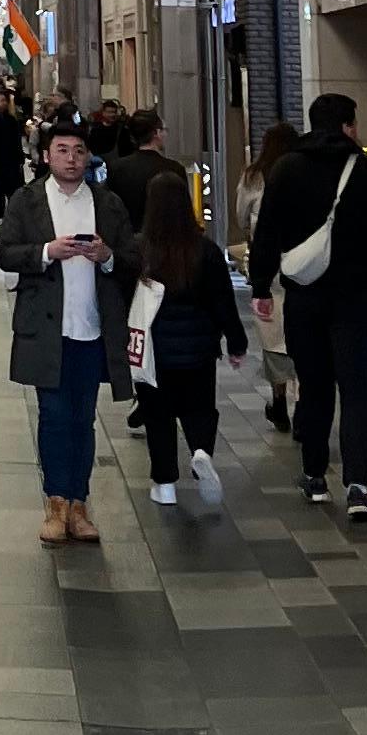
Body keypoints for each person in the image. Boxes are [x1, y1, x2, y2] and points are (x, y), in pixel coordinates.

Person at [248, 93, 367, 520]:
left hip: (305, 299)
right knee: (360, 394)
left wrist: (261, 288)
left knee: (315, 385)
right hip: (360, 301)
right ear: (348, 126)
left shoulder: (286, 169)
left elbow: (266, 231)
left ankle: (314, 476)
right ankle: (358, 487)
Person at [0, 110, 139, 544]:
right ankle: (56, 502)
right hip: (46, 328)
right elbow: (6, 252)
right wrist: (46, 252)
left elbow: (132, 258)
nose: (71, 159)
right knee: (54, 416)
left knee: (83, 419)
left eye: (79, 151)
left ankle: (80, 503)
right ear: (46, 156)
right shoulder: (27, 200)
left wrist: (107, 256)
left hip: (93, 328)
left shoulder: (106, 202)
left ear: (88, 157)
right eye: (62, 151)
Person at [126, 164, 249, 509]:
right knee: (199, 410)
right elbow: (223, 302)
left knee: (158, 417)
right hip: (198, 351)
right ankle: (200, 451)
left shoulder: (141, 251)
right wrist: (236, 343)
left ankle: (164, 484)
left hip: (155, 353)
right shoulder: (205, 251)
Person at [236, 116, 303, 429]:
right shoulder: (305, 171)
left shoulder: (254, 176)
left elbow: (241, 216)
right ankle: (305, 400)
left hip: (268, 263)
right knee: (304, 330)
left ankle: (279, 400)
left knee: (273, 332)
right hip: (303, 262)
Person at [102, 106, 175, 236]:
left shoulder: (116, 168)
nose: (165, 134)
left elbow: (110, 209)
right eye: (164, 130)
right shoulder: (172, 169)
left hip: (127, 240)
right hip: (164, 241)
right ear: (156, 133)